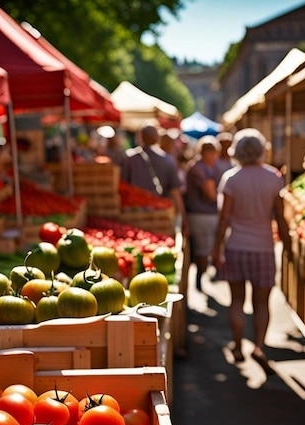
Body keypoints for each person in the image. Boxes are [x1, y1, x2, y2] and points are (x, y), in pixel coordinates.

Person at [211, 129, 292, 372]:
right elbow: (280, 216)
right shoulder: (274, 177)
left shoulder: (231, 179)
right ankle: (259, 346)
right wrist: (287, 247)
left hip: (236, 247)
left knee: (236, 301)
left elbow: (224, 219)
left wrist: (216, 249)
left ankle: (237, 347)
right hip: (264, 248)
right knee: (262, 303)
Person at [121, 124, 187, 234]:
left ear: (140, 137)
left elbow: (123, 186)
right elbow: (175, 192)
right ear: (157, 138)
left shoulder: (129, 158)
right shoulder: (168, 160)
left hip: (133, 212)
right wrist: (182, 217)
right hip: (160, 213)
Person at [184, 135, 222, 291]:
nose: (214, 157)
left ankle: (201, 278)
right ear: (204, 153)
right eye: (211, 154)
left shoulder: (202, 167)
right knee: (202, 251)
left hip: (203, 215)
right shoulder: (200, 169)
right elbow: (211, 194)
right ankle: (200, 280)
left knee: (205, 250)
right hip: (201, 216)